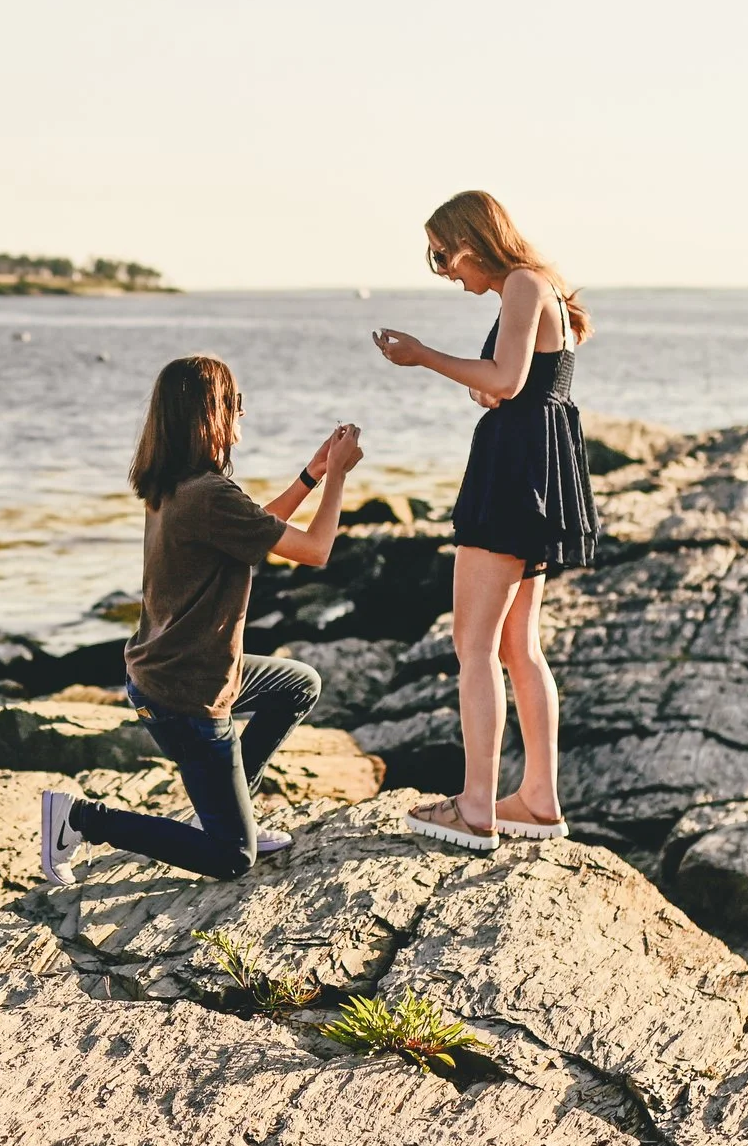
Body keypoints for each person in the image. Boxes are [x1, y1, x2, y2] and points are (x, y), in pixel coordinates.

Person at [39, 355, 362, 885]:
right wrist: (339, 480)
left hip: (175, 670)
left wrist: (313, 473)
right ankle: (78, 819)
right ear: (208, 414)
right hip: (187, 696)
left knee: (298, 684)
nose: (244, 412)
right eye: (235, 402)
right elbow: (316, 550)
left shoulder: (176, 485)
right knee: (232, 859)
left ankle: (227, 812)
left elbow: (257, 528)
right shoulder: (208, 494)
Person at [371, 189, 599, 851]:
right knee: (517, 646)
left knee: (473, 645)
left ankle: (476, 807)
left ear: (471, 242)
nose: (446, 272)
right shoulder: (538, 287)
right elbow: (521, 382)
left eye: (443, 256)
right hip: (537, 468)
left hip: (513, 474)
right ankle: (538, 798)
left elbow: (505, 380)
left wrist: (423, 356)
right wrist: (486, 382)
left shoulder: (523, 284)